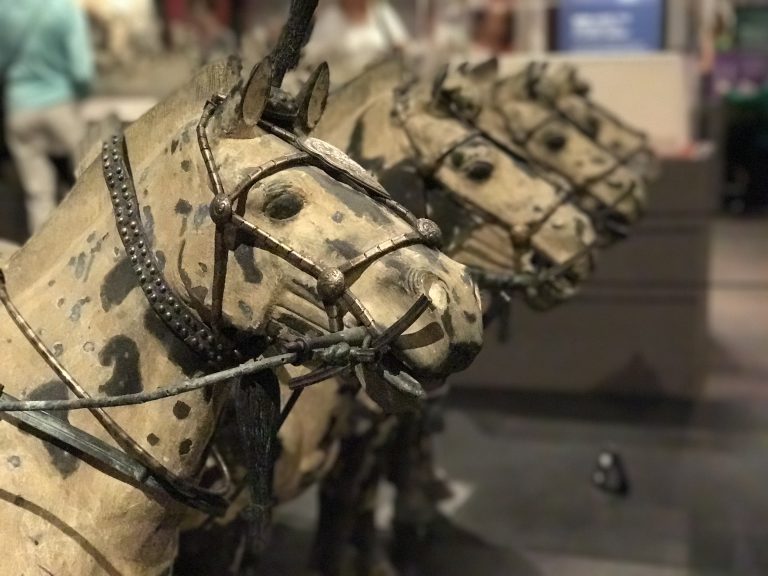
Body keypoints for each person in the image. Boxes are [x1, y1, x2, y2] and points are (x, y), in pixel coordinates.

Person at [0, 0, 94, 235]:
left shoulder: (4, 10)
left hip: (18, 107)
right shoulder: (62, 9)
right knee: (90, 179)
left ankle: (44, 261)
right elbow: (82, 71)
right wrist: (79, 96)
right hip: (59, 105)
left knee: (38, 194)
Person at [304, 0, 410, 85]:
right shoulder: (330, 20)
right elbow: (310, 59)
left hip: (382, 88)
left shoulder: (382, 14)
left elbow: (402, 45)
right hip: (344, 91)